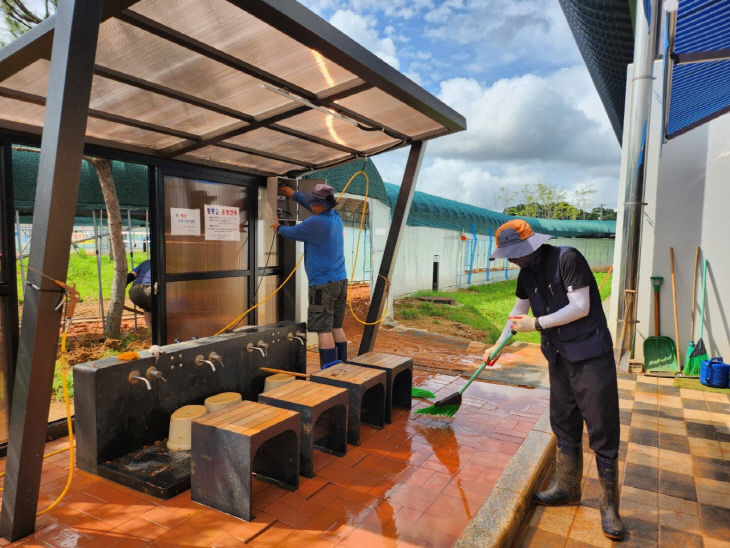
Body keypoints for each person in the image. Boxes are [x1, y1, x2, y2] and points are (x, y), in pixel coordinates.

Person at [485, 219, 623, 541]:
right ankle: (567, 487)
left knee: (602, 427)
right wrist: (498, 344)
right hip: (559, 358)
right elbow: (517, 315)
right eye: (510, 255)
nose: (514, 259)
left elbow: (580, 306)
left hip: (591, 358)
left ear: (532, 245)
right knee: (563, 421)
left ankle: (609, 507)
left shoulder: (567, 258)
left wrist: (538, 324)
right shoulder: (526, 273)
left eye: (517, 253)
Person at [273, 183, 348, 367]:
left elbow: (290, 232)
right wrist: (293, 194)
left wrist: (277, 227)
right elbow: (310, 205)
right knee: (336, 327)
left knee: (323, 330)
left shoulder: (315, 223)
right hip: (340, 281)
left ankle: (329, 375)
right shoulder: (334, 216)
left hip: (323, 285)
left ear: (317, 205)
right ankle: (344, 369)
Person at [127, 259, 152, 329]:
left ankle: (150, 330)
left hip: (135, 291)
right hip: (151, 290)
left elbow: (131, 275)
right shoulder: (167, 263)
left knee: (147, 308)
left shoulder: (145, 263)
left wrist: (122, 286)